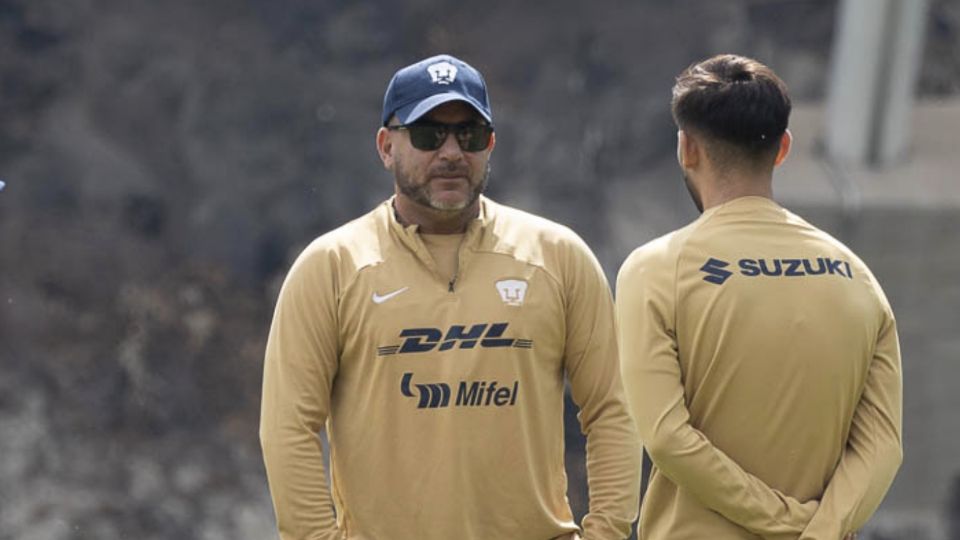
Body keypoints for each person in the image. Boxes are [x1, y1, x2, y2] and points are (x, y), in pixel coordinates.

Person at [260, 53, 641, 540]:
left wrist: (606, 533)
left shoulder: (558, 256)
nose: (451, 153)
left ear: (491, 145)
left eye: (470, 135)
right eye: (427, 134)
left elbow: (613, 410)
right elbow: (287, 428)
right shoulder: (331, 267)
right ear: (385, 146)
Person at [615, 54, 902, 540]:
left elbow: (665, 437)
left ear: (687, 148)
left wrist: (778, 521)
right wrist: (819, 530)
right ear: (784, 148)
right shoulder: (856, 275)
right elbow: (884, 446)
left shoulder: (656, 269)